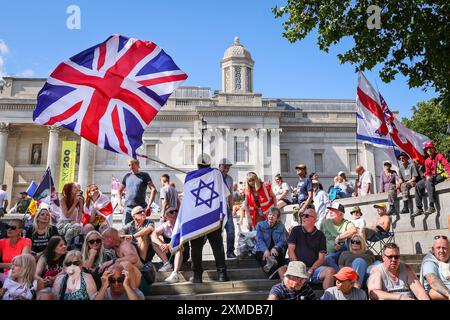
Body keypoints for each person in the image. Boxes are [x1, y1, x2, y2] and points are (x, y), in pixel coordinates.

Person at [188, 153, 229, 283]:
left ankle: (197, 276)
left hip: (197, 218)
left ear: (197, 165)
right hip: (213, 217)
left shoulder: (190, 177)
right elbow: (225, 192)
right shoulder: (216, 174)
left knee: (196, 247)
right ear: (209, 164)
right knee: (217, 246)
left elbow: (188, 200)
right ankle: (222, 274)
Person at [283, 208, 336, 290]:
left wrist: (310, 271)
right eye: (302, 215)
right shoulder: (295, 230)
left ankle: (328, 297)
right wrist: (298, 270)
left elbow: (321, 259)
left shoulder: (320, 235)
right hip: (296, 267)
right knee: (281, 270)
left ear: (315, 219)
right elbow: (290, 251)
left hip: (313, 269)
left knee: (330, 271)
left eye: (306, 216)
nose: (303, 217)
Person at [151, 207, 189, 283]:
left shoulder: (182, 224)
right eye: (171, 212)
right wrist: (161, 244)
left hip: (182, 252)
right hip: (169, 253)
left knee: (178, 248)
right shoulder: (165, 225)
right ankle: (167, 264)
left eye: (176, 211)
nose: (175, 213)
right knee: (153, 242)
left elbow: (182, 240)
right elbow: (153, 234)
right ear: (166, 216)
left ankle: (175, 273)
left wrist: (168, 245)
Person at [414, 142, 450, 216]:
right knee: (418, 185)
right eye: (427, 149)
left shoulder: (439, 156)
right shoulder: (426, 161)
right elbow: (428, 173)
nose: (429, 150)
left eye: (431, 148)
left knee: (429, 181)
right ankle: (419, 208)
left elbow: (446, 165)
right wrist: (426, 176)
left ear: (434, 149)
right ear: (426, 151)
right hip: (432, 177)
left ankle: (431, 205)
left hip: (440, 175)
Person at [118, 158, 157, 225]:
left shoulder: (145, 175)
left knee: (140, 229)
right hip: (128, 208)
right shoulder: (127, 176)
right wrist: (119, 205)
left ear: (138, 165)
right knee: (125, 230)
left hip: (140, 208)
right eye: (129, 165)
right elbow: (119, 191)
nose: (131, 167)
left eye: (133, 164)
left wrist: (149, 205)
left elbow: (154, 189)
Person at [320, 203, 357, 272]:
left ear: (341, 214)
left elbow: (354, 230)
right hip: (325, 253)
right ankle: (340, 276)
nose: (330, 212)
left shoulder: (346, 223)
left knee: (328, 259)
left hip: (340, 252)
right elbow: (319, 238)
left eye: (333, 210)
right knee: (326, 259)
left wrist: (339, 237)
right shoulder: (325, 223)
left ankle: (341, 278)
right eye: (330, 210)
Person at [255, 207, 287, 279]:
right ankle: (272, 265)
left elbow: (282, 241)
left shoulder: (281, 226)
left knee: (277, 253)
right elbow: (259, 240)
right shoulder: (260, 225)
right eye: (269, 214)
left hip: (274, 250)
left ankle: (271, 264)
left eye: (273, 215)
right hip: (262, 249)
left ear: (277, 218)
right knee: (264, 256)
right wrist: (265, 250)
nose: (271, 216)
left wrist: (275, 248)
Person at [419, 235, 450, 300]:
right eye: (438, 248)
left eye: (444, 248)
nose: (441, 251)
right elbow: (433, 281)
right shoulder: (429, 262)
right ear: (433, 249)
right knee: (433, 292)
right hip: (442, 294)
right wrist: (448, 294)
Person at [218, 158, 237, 259]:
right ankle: (219, 253)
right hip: (216, 209)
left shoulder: (229, 179)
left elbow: (230, 195)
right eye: (224, 167)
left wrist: (231, 208)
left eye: (228, 167)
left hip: (226, 208)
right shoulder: (214, 177)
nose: (226, 169)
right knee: (215, 233)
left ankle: (230, 252)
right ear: (219, 166)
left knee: (231, 230)